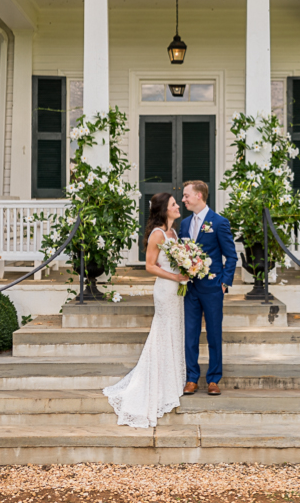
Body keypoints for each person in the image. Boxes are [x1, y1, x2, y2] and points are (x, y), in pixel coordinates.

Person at [102, 192, 187, 428]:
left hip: (177, 289)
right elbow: (150, 266)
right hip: (165, 290)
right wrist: (175, 276)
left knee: (174, 331)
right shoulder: (158, 234)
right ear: (164, 210)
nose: (178, 206)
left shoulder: (173, 233)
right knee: (163, 332)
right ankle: (156, 383)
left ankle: (173, 379)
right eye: (173, 204)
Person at [179, 180, 237, 396]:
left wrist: (224, 283)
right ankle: (192, 378)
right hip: (190, 288)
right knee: (190, 334)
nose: (183, 199)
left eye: (186, 195)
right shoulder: (184, 224)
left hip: (212, 287)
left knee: (214, 333)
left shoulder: (219, 222)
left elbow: (231, 255)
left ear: (199, 196)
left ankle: (213, 379)